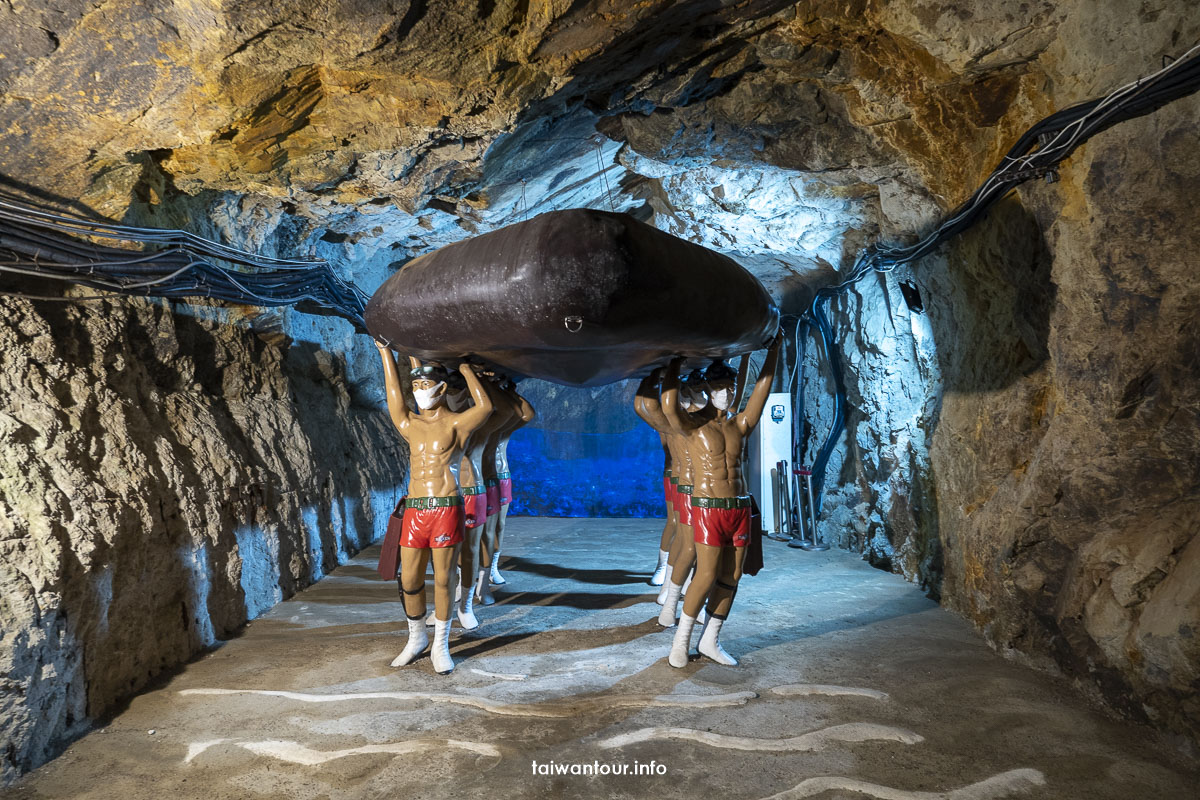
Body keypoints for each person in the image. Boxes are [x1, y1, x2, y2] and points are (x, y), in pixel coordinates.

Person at [374, 342, 492, 674]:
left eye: (426, 385)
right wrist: (384, 352)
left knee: (443, 580)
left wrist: (466, 368)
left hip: (446, 508)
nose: (420, 391)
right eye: (416, 386)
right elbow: (392, 394)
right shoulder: (409, 423)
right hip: (415, 510)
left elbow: (484, 407)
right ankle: (416, 638)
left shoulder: (456, 424)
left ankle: (440, 643)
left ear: (441, 387)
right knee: (409, 578)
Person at [664, 334, 781, 667]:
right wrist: (674, 362)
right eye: (720, 386)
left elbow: (762, 389)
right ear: (708, 391)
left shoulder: (739, 424)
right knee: (706, 574)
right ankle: (680, 640)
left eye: (730, 386)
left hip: (739, 508)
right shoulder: (693, 427)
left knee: (733, 575)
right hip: (708, 509)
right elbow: (670, 407)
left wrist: (774, 353)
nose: (727, 392)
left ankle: (711, 640)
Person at [487, 379, 535, 587]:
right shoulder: (470, 421)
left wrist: (509, 391)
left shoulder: (503, 424)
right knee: (480, 528)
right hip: (480, 479)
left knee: (499, 524)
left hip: (502, 476)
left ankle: (493, 565)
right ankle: (474, 568)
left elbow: (528, 414)